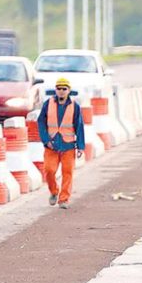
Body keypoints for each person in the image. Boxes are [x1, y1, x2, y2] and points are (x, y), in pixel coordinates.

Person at [37, 77, 85, 208]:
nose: (62, 91)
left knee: (67, 172)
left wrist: (80, 146)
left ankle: (64, 199)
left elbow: (79, 126)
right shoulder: (48, 104)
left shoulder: (75, 106)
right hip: (51, 145)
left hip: (68, 145)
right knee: (49, 170)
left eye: (64, 89)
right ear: (55, 90)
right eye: (59, 89)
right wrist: (46, 140)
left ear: (69, 90)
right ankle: (53, 191)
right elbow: (41, 122)